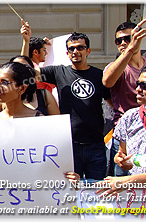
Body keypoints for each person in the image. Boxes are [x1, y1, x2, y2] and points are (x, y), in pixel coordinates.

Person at [102, 19, 146, 176]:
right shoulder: (117, 67)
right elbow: (107, 81)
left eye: (128, 38)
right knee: (123, 186)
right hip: (127, 134)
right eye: (118, 40)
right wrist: (130, 49)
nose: (123, 43)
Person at [39, 32, 111, 180]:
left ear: (88, 50)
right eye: (71, 49)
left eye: (80, 48)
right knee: (71, 192)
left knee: (97, 193)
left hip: (96, 145)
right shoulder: (58, 72)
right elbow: (25, 72)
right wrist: (27, 42)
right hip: (70, 146)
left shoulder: (100, 75)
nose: (75, 52)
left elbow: (114, 104)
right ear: (67, 53)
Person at [96, 62, 146, 196]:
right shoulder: (129, 117)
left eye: (145, 86)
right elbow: (122, 155)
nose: (138, 89)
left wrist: (126, 181)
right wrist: (121, 161)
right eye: (138, 84)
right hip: (133, 197)